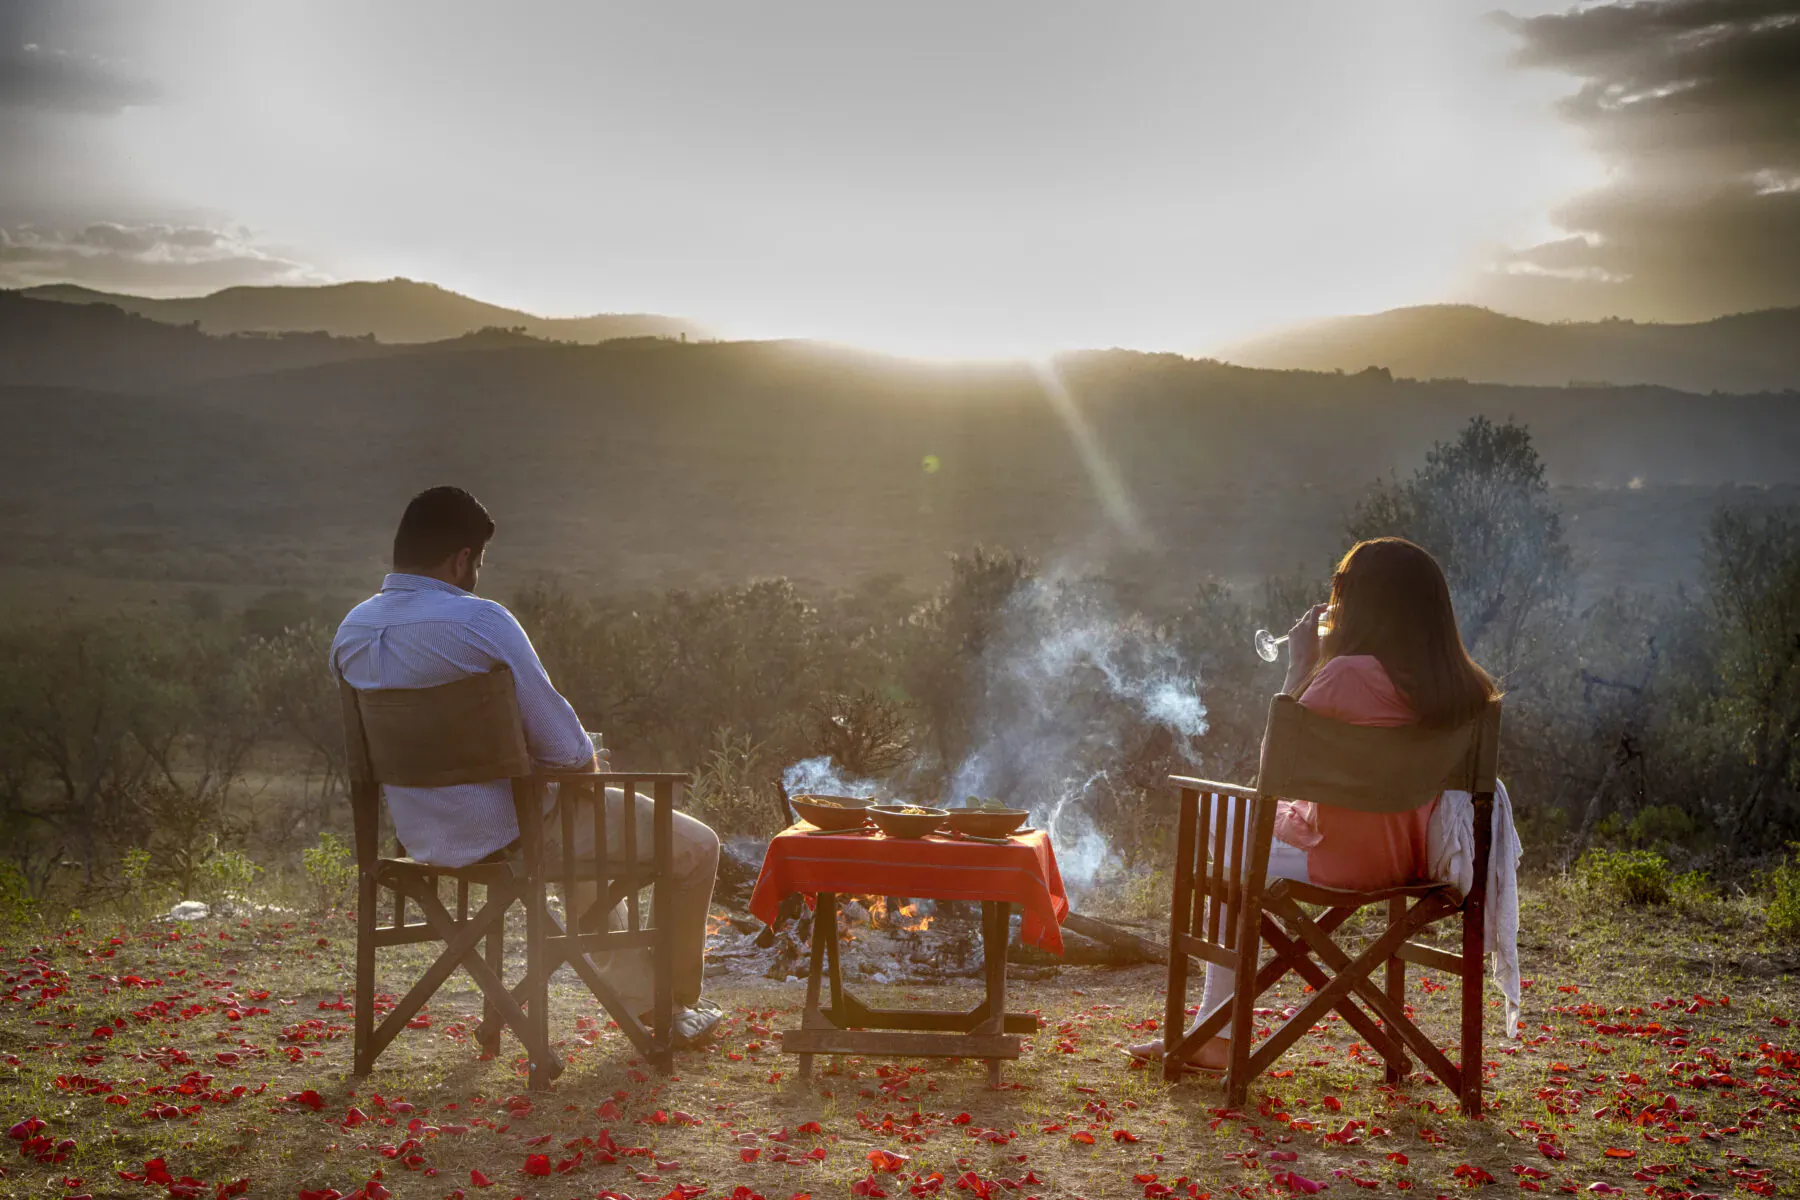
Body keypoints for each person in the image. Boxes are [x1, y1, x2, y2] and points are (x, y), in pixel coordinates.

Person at [332, 485, 724, 1047]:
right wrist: (581, 761)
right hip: (515, 835)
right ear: (462, 558)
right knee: (694, 845)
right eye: (477, 562)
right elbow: (567, 751)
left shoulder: (352, 631)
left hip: (420, 839)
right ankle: (675, 1007)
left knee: (575, 824)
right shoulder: (481, 622)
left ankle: (640, 997)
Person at [1130, 536, 1499, 1071]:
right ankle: (1219, 1028)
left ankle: (1214, 1029)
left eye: (1342, 594)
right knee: (1241, 850)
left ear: (1363, 605)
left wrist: (1298, 666)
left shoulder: (1346, 674)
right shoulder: (1464, 691)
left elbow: (1271, 777)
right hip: (1414, 863)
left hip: (1339, 862)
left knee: (1224, 828)